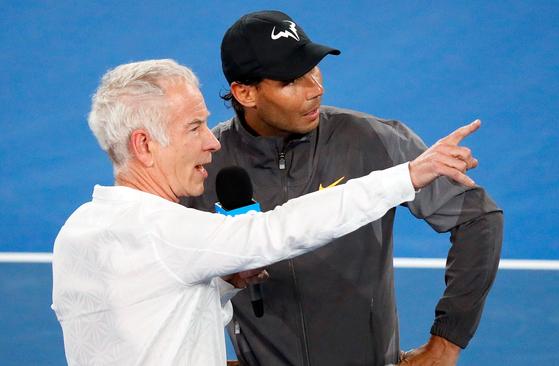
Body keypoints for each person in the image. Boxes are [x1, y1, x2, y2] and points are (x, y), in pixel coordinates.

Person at [51, 59, 484, 366]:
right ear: (144, 145)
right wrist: (405, 175)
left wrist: (221, 288)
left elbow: (151, 307)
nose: (212, 142)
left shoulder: (80, 230)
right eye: (193, 127)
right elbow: (280, 231)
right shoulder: (166, 233)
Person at [185, 10, 504, 366]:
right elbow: (161, 274)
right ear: (245, 93)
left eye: (313, 69)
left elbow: (479, 219)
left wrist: (447, 342)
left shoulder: (372, 140)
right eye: (291, 81)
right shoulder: (203, 166)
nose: (315, 89)